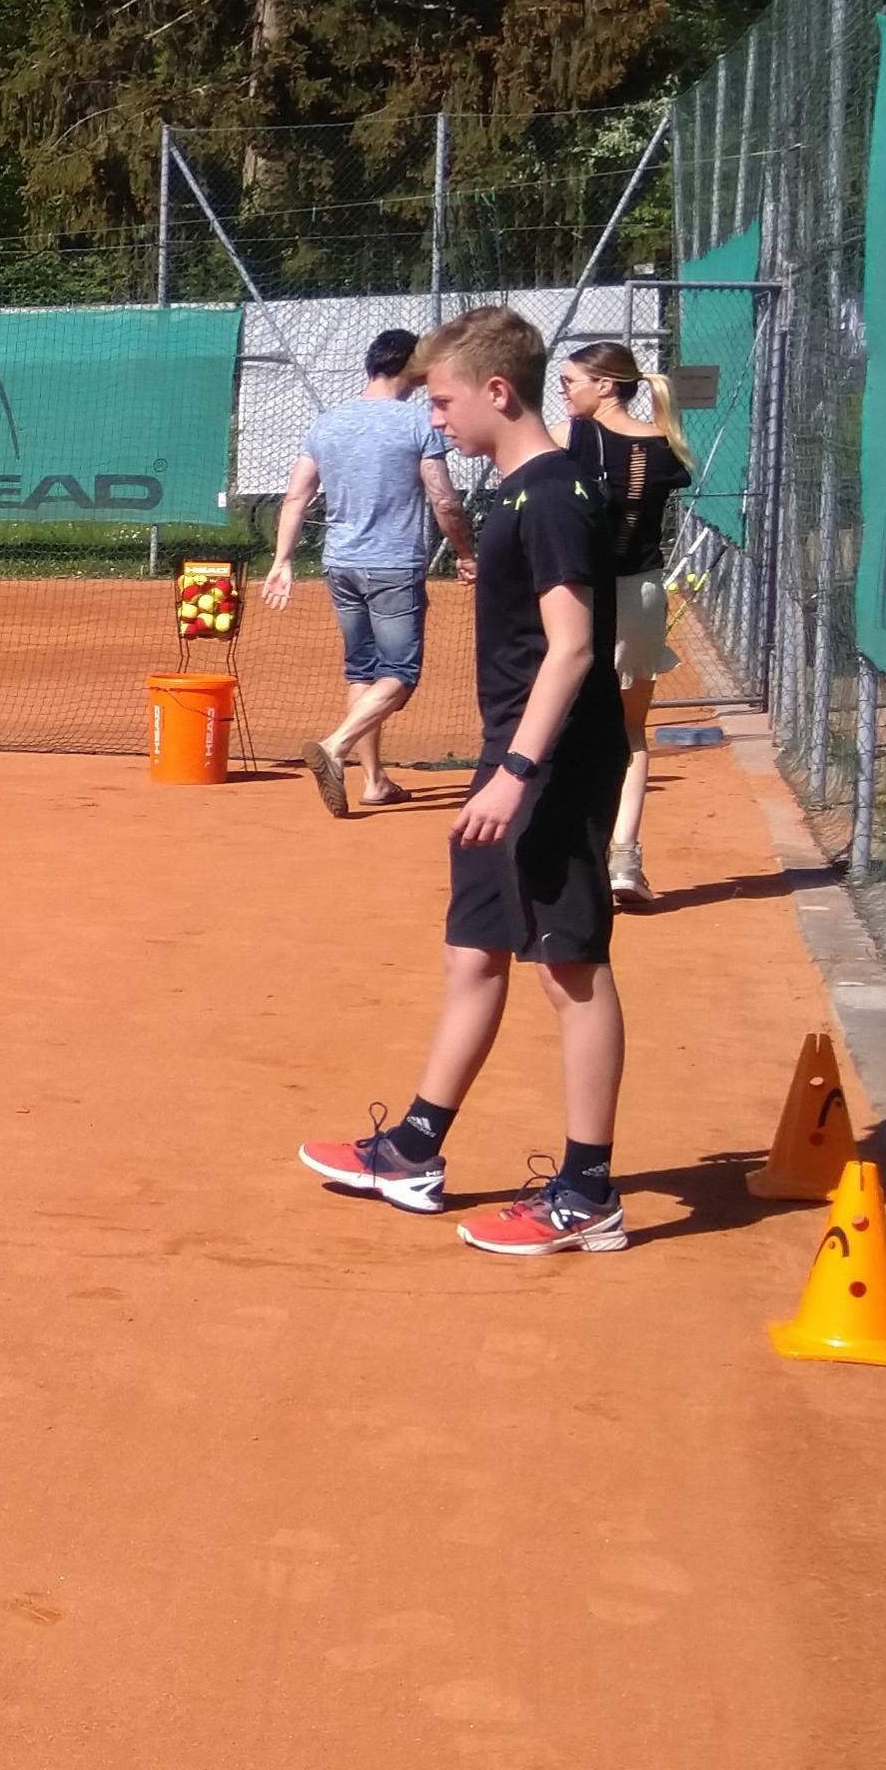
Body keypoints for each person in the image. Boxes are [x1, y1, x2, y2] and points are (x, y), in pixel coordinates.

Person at [298, 306, 634, 1256]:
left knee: (570, 967)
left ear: (496, 391)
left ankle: (588, 1192)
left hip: (550, 762)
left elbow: (573, 648)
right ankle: (414, 1149)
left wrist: (516, 772)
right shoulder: (518, 492)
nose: (433, 417)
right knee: (473, 952)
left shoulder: (555, 494)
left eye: (442, 401)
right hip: (510, 757)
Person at [262, 330, 477, 816]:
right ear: (413, 368)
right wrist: (466, 552)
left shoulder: (327, 423)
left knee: (363, 670)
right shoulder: (419, 422)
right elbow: (444, 499)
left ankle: (375, 780)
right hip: (394, 565)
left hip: (340, 564)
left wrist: (282, 560)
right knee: (400, 672)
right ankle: (335, 746)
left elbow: (296, 496)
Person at [561, 343, 695, 907]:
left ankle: (573, 857)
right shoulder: (665, 444)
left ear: (605, 385)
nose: (564, 392)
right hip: (640, 593)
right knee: (631, 731)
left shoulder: (566, 440)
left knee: (567, 725)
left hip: (579, 598)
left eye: (570, 381)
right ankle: (624, 859)